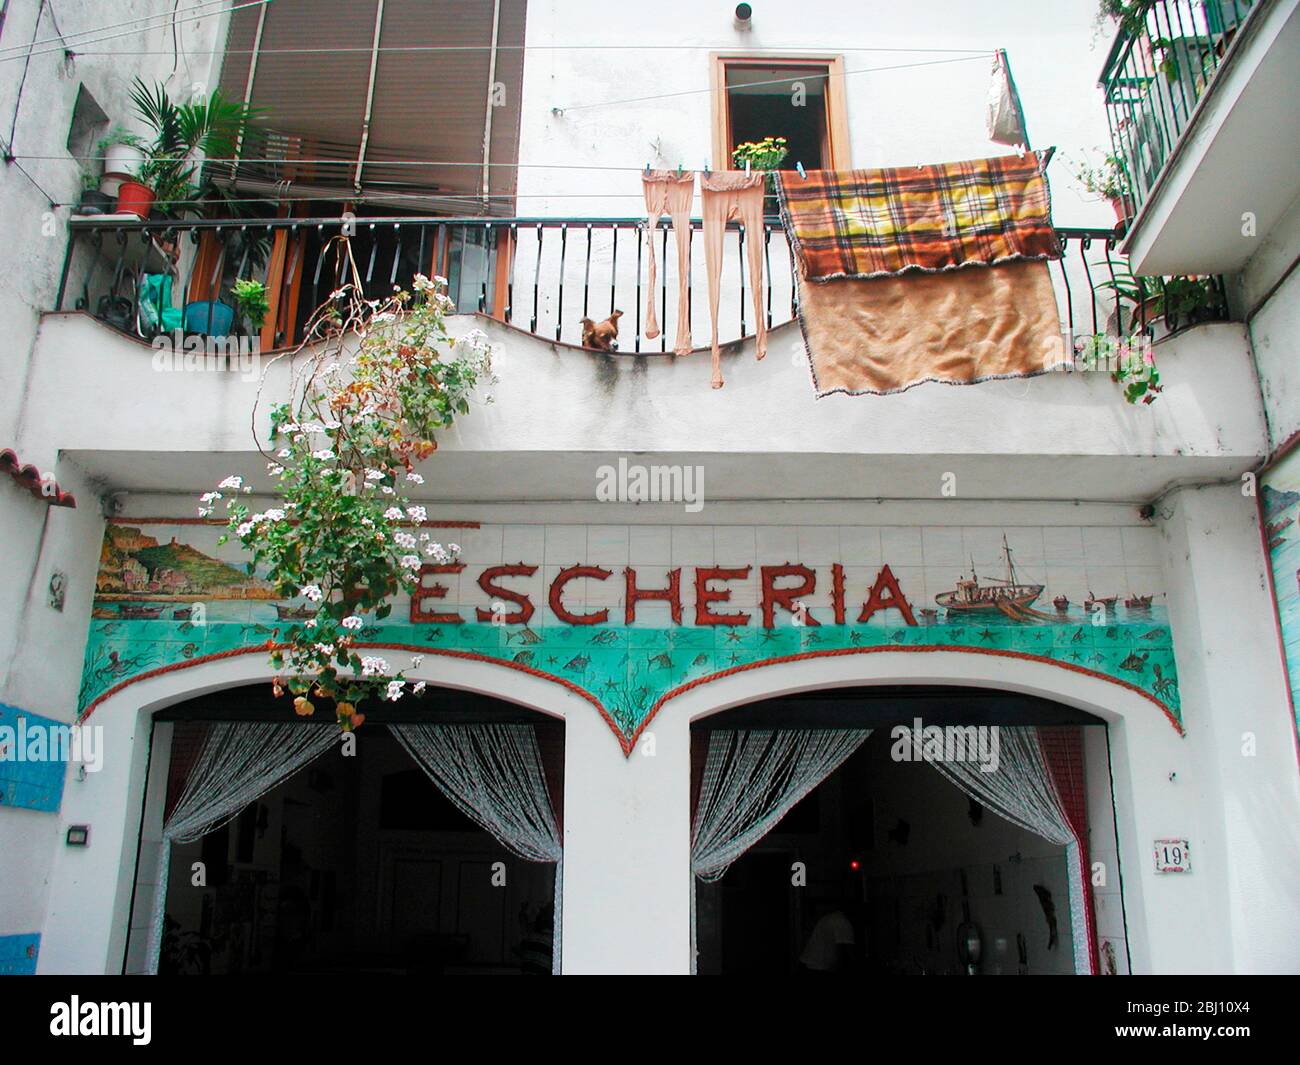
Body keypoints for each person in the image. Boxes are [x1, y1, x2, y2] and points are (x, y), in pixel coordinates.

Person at [798, 901, 857, 973]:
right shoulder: (843, 922)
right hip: (818, 966)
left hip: (811, 963)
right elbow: (846, 950)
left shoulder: (833, 918)